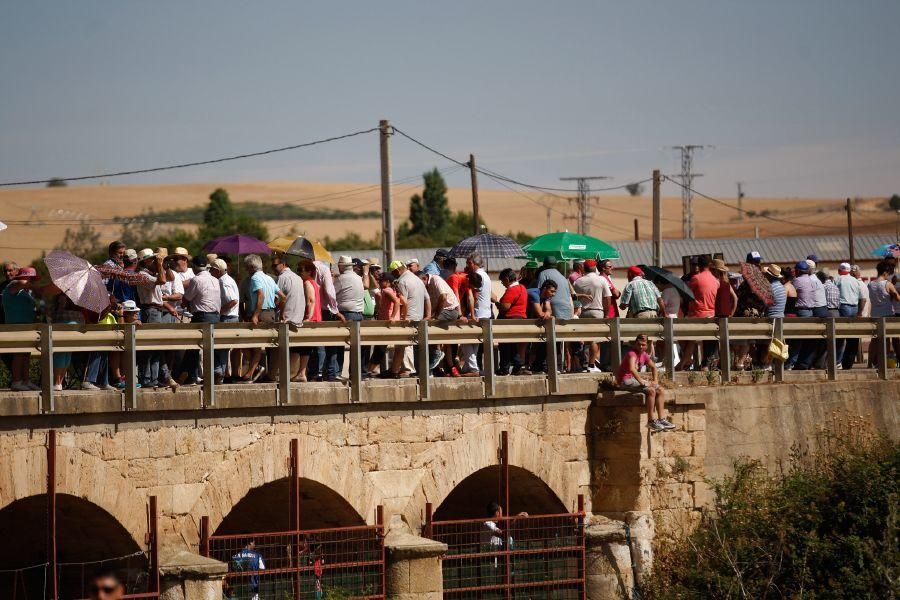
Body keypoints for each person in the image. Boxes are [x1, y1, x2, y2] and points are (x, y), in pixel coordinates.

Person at [615, 334, 674, 433]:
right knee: (651, 391)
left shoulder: (644, 355)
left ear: (647, 346)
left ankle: (661, 419)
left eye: (643, 345)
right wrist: (642, 382)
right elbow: (632, 368)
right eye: (638, 344)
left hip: (633, 380)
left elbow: (654, 367)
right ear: (635, 344)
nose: (641, 347)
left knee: (660, 389)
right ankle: (651, 421)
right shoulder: (632, 354)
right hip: (625, 381)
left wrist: (655, 381)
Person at [241, 254, 283, 383]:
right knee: (261, 345)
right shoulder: (269, 278)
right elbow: (283, 296)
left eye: (247, 267)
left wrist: (255, 314)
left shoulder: (254, 278)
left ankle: (251, 373)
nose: (246, 270)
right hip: (270, 314)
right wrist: (278, 311)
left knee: (253, 345)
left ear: (252, 267)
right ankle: (259, 371)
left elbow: (261, 295)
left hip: (260, 314)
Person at [384, 260, 426, 378]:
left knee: (403, 345)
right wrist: (427, 316)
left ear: (397, 270)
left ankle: (404, 370)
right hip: (419, 316)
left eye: (393, 273)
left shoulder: (402, 281)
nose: (393, 276)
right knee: (411, 345)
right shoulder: (418, 279)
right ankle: (397, 369)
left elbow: (403, 302)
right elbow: (427, 299)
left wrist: (402, 316)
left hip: (407, 317)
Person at [676, 255, 719, 371]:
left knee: (679, 334)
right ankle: (701, 364)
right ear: (709, 265)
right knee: (699, 339)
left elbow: (687, 294)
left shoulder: (695, 279)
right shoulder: (716, 280)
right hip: (712, 316)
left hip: (696, 315)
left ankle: (684, 362)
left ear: (699, 265)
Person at [2, 267, 40, 391]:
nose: (31, 281)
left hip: (27, 326)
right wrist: (38, 289)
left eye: (32, 279)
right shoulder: (13, 284)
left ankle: (25, 380)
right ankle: (16, 381)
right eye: (29, 278)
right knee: (19, 353)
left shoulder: (26, 292)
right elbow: (22, 283)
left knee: (26, 354)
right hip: (16, 326)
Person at [573, 259, 611, 371]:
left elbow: (573, 297)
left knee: (585, 339)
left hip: (582, 312)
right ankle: (591, 365)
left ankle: (585, 364)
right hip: (597, 311)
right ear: (595, 268)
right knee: (595, 339)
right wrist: (606, 313)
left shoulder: (577, 281)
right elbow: (607, 298)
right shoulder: (601, 280)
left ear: (584, 268)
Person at [459, 253, 492, 376]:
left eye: (469, 263)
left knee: (466, 340)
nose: (467, 266)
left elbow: (474, 297)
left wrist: (470, 313)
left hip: (477, 313)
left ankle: (473, 368)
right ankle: (469, 367)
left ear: (474, 263)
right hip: (485, 313)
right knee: (475, 341)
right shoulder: (486, 275)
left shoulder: (477, 276)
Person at [334, 255, 365, 380]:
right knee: (356, 346)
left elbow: (332, 293)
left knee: (338, 344)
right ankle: (356, 373)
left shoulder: (341, 279)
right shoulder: (358, 278)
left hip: (345, 314)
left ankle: (337, 372)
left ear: (341, 266)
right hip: (358, 314)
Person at [496, 268, 530, 376]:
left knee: (506, 346)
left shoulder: (512, 289)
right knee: (512, 346)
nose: (502, 283)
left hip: (510, 320)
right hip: (521, 320)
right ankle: (514, 366)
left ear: (507, 279)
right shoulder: (522, 288)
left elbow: (506, 306)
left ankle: (508, 367)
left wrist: (497, 303)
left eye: (502, 281)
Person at [211, 259, 240, 381]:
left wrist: (220, 311)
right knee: (222, 348)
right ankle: (221, 374)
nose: (210, 272)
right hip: (231, 317)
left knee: (220, 348)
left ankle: (219, 374)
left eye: (212, 270)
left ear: (217, 271)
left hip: (227, 317)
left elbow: (233, 300)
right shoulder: (227, 279)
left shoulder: (223, 282)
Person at [868, 261, 900, 370]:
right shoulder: (888, 284)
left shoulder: (870, 284)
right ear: (885, 272)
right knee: (886, 339)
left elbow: (878, 298)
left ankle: (870, 363)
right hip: (888, 314)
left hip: (875, 314)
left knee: (875, 340)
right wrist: (894, 287)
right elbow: (897, 298)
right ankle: (884, 362)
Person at [835, 262, 864, 369]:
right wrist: (860, 312)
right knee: (852, 337)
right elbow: (862, 298)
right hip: (855, 308)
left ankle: (838, 361)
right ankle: (848, 362)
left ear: (840, 270)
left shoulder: (838, 279)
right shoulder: (855, 281)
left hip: (844, 307)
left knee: (841, 336)